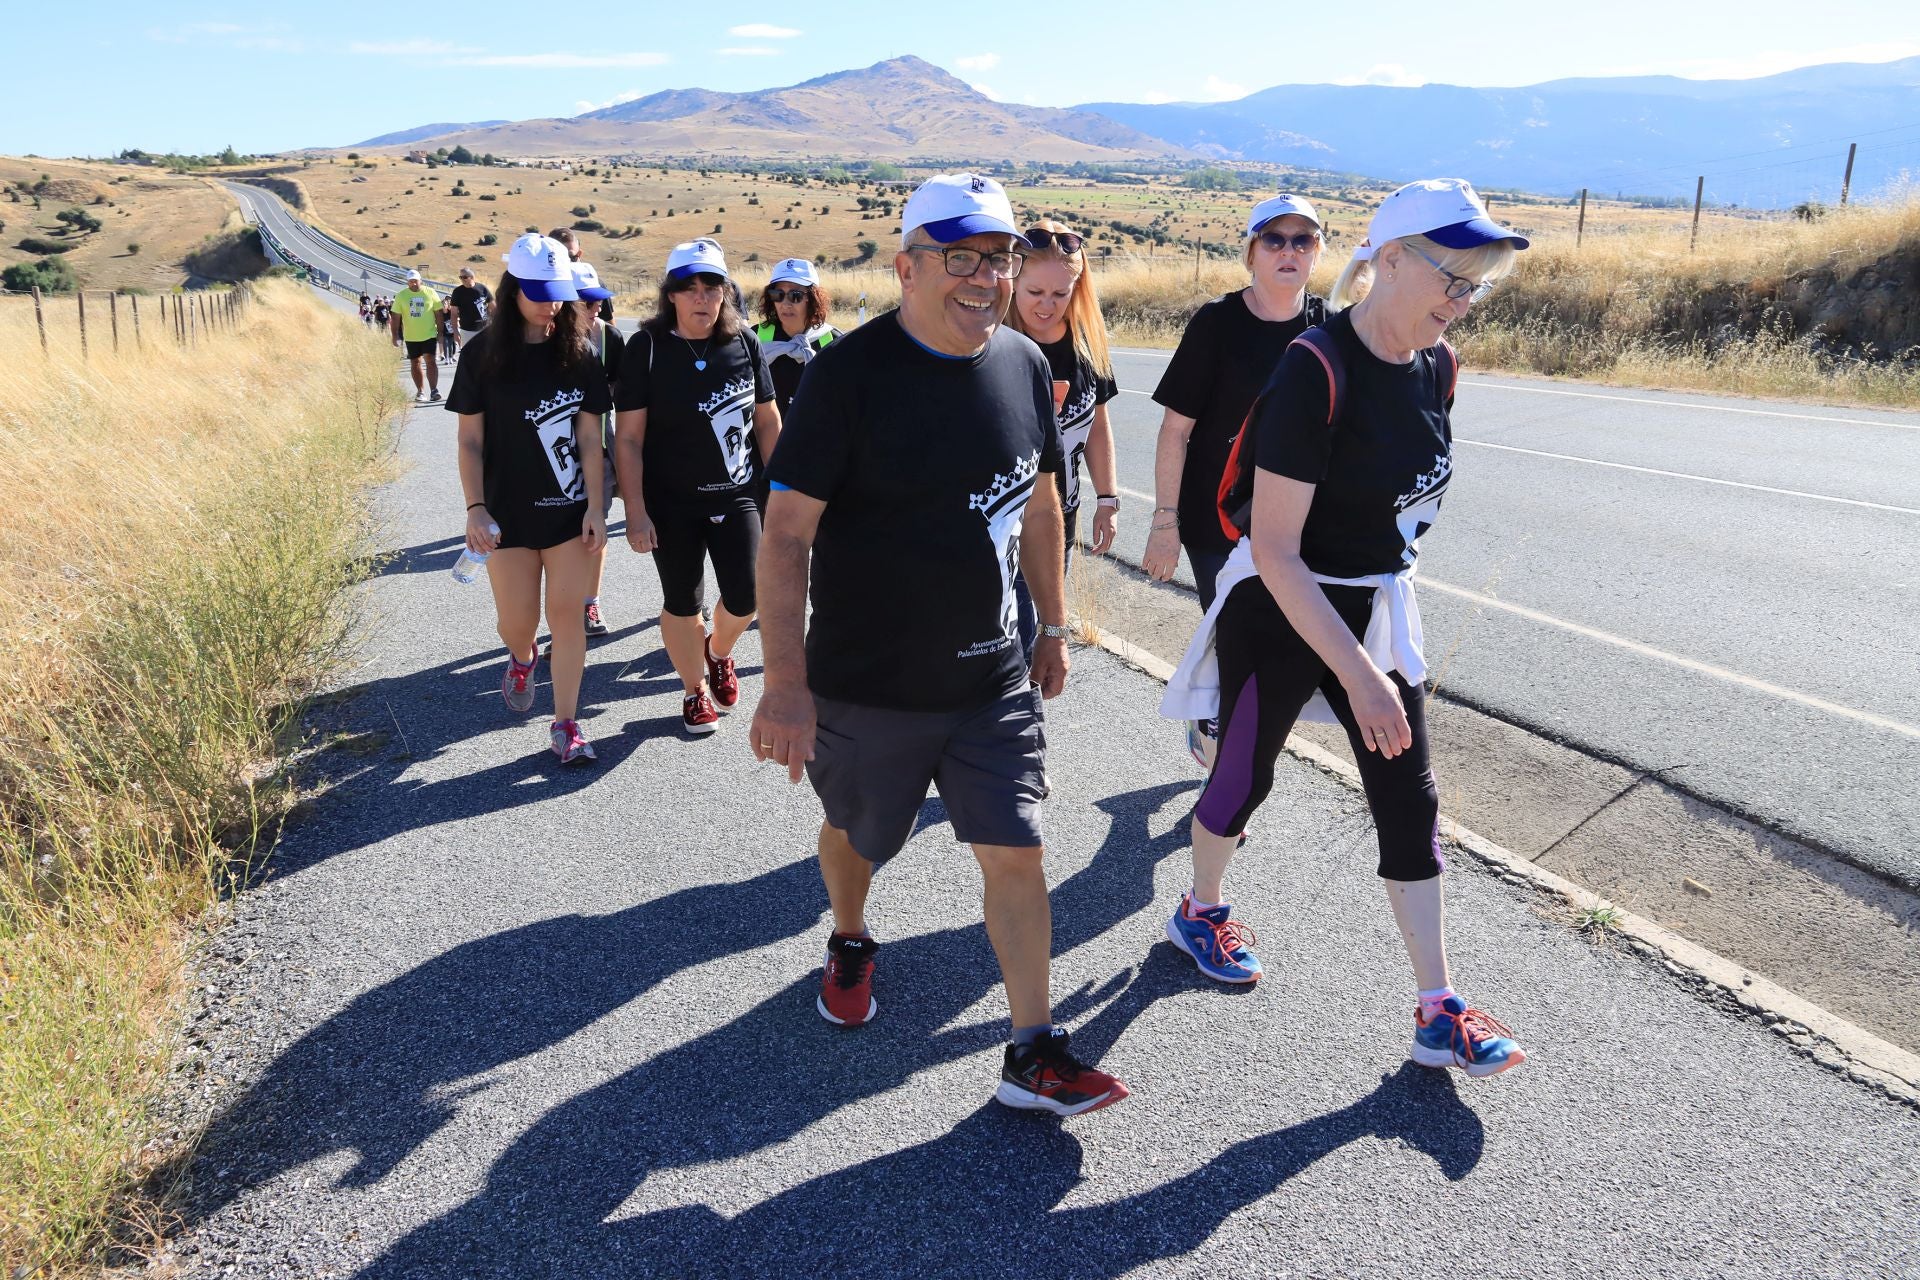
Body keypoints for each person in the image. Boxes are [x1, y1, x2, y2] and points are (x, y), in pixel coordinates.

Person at [750, 174, 1128, 1117]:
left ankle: (1032, 1050)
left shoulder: (1024, 364)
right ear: (906, 266)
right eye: (960, 257)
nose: (984, 278)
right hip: (870, 684)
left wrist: (1050, 621)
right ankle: (849, 933)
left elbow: (1039, 500)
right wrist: (784, 684)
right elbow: (787, 533)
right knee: (858, 836)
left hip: (993, 677)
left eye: (997, 258)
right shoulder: (847, 377)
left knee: (1017, 851)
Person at [1158, 178, 1530, 1078]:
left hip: (1371, 603)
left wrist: (1376, 655)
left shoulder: (1438, 367)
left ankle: (1439, 1009)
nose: (1462, 299)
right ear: (1388, 261)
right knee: (1243, 777)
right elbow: (1278, 552)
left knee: (1411, 798)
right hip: (1282, 608)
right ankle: (1199, 910)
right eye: (1452, 276)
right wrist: (1360, 675)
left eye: (1477, 284)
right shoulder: (1314, 369)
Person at [1140, 193, 1329, 763]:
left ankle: (1226, 739)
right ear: (1251, 252)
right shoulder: (1216, 324)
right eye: (1274, 239)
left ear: (1318, 252)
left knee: (1279, 645)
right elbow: (1175, 432)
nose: (1288, 251)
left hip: (1294, 527)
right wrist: (1164, 524)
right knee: (1236, 640)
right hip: (1213, 521)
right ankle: (1224, 763)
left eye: (1303, 240)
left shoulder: (1329, 327)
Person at [447, 234, 608, 764]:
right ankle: (521, 656)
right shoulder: (481, 356)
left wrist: (594, 506)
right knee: (517, 622)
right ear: (512, 288)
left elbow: (589, 436)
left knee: (567, 615)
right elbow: (470, 440)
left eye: (558, 292)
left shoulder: (580, 353)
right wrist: (475, 509)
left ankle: (566, 724)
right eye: (539, 292)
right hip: (506, 516)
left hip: (567, 514)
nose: (551, 304)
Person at [612, 238, 781, 735]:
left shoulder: (744, 342)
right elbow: (628, 441)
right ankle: (693, 691)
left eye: (712, 286)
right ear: (671, 295)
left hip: (738, 493)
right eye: (689, 288)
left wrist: (789, 490)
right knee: (683, 601)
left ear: (726, 292)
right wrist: (636, 511)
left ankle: (719, 652)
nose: (702, 297)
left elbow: (767, 422)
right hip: (671, 502)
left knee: (747, 596)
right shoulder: (645, 348)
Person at [1003, 218, 1119, 662]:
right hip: (999, 522)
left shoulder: (1087, 346)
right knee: (1015, 642)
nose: (1047, 306)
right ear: (1014, 281)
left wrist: (1107, 500)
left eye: (1060, 293)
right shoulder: (993, 342)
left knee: (1037, 641)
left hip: (1056, 524)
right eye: (1035, 293)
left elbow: (1098, 427)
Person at [570, 260, 623, 639]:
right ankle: (561, 609)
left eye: (597, 303)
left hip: (599, 453)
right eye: (585, 303)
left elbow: (627, 405)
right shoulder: (534, 342)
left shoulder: (610, 340)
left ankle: (589, 602)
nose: (594, 310)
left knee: (594, 531)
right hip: (546, 460)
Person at [753, 258, 842, 419]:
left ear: (812, 297)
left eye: (795, 295)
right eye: (778, 294)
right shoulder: (753, 339)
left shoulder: (834, 342)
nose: (785, 304)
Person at [389, 269, 444, 403]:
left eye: (415, 281)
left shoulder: (430, 292)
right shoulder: (401, 296)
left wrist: (440, 333)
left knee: (430, 361)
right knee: (415, 362)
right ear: (407, 282)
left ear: (421, 281)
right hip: (411, 336)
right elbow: (396, 317)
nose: (413, 284)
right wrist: (395, 335)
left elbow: (439, 313)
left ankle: (434, 390)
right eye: (411, 282)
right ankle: (420, 391)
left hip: (429, 333)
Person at [549, 226, 614, 325]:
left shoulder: (595, 284)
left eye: (570, 257)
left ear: (579, 254)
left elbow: (609, 329)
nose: (565, 263)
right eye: (559, 258)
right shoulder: (543, 286)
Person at [449, 266, 493, 350]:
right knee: (470, 358)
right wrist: (455, 331)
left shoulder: (482, 288)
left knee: (486, 357)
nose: (462, 279)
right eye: (460, 277)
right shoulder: (457, 292)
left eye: (464, 277)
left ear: (472, 277)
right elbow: (454, 314)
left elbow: (494, 308)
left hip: (484, 329)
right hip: (467, 331)